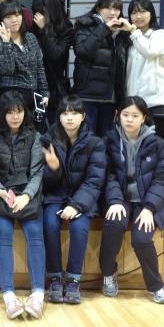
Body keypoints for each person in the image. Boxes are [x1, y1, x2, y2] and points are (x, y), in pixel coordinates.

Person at [99, 96, 164, 303]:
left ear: (144, 118)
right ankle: (108, 274)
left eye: (135, 115)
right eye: (125, 115)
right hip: (120, 199)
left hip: (146, 201)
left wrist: (150, 208)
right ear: (118, 116)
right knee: (113, 225)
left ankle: (156, 286)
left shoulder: (158, 144)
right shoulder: (108, 142)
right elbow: (107, 175)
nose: (129, 120)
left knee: (141, 239)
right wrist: (115, 200)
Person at [0, 91, 46, 319]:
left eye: (19, 111)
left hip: (27, 193)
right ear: (2, 113)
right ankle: (9, 296)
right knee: (3, 234)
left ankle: (38, 294)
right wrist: (1, 191)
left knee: (35, 235)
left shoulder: (35, 136)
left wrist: (27, 196)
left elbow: (37, 171)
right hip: (0, 193)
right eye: (9, 112)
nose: (15, 116)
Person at [41, 95, 106, 304]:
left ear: (83, 116)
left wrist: (76, 205)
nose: (69, 118)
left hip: (83, 199)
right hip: (55, 195)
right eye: (65, 113)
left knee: (79, 228)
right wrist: (53, 169)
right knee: (49, 224)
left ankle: (73, 280)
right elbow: (43, 181)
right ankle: (55, 278)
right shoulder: (48, 139)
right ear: (59, 116)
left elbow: (94, 181)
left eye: (74, 113)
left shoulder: (95, 143)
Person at [71, 0, 132, 136]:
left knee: (107, 140)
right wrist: (104, 28)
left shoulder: (121, 31)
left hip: (111, 97)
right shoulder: (85, 24)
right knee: (87, 139)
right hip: (87, 95)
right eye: (108, 8)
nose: (113, 12)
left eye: (116, 9)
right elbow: (82, 51)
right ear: (98, 8)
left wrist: (129, 31)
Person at [0, 0, 49, 123]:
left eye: (17, 15)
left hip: (34, 95)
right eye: (8, 17)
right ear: (1, 21)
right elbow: (8, 69)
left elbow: (39, 68)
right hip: (12, 98)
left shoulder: (30, 37)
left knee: (37, 129)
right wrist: (7, 43)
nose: (14, 20)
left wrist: (45, 93)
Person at [31, 0, 74, 114]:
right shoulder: (33, 28)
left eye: (41, 11)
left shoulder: (66, 29)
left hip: (54, 87)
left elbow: (55, 54)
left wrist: (45, 29)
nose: (38, 16)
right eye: (36, 12)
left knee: (54, 121)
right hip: (34, 85)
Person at [125, 0, 164, 115]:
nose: (138, 16)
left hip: (154, 101)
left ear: (151, 14)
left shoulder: (160, 34)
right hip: (131, 101)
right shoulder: (129, 38)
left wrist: (133, 30)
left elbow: (149, 51)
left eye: (143, 11)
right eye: (134, 13)